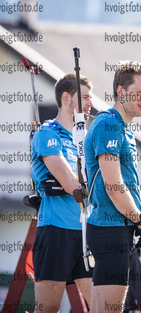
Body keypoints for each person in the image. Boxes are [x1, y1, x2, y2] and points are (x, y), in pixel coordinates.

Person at [84, 61, 141, 313]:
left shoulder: (122, 127)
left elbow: (131, 185)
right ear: (120, 91)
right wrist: (140, 222)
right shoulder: (109, 124)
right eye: (139, 93)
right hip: (110, 229)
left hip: (116, 229)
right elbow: (114, 186)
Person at [31, 73, 93, 312]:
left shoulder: (85, 139)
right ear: (66, 98)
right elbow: (69, 182)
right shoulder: (48, 133)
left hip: (86, 232)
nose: (90, 103)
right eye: (85, 97)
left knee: (101, 305)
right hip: (56, 231)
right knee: (48, 308)